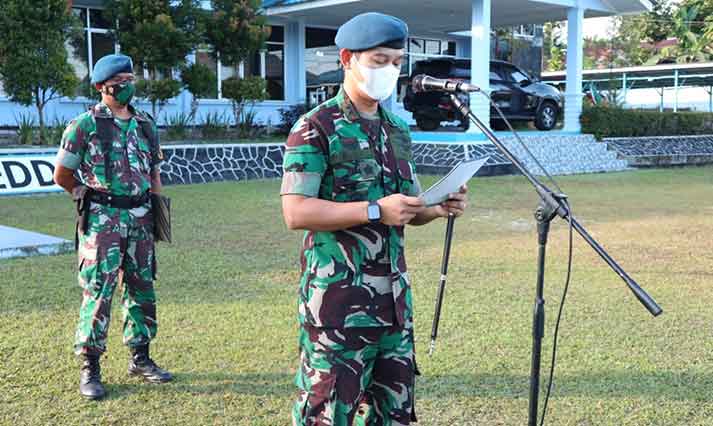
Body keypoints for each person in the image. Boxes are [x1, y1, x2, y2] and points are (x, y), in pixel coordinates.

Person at [281, 12, 468, 426]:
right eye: (380, 60)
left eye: (398, 62)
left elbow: (408, 207)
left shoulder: (397, 129)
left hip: (393, 305)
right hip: (337, 306)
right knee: (327, 415)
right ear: (347, 58)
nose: (391, 70)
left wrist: (436, 208)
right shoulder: (315, 128)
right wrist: (374, 211)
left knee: (394, 415)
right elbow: (296, 212)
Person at [53, 53, 172, 400]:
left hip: (140, 218)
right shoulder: (84, 126)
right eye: (121, 82)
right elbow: (62, 173)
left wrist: (157, 214)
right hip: (103, 220)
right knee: (99, 290)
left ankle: (141, 357)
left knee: (142, 287)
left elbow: (154, 173)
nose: (128, 86)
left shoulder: (146, 124)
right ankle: (90, 367)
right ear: (102, 86)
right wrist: (82, 195)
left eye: (131, 79)